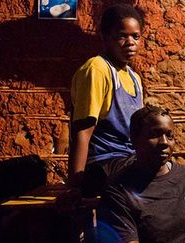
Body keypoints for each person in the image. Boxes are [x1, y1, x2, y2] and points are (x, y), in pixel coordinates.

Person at [99, 105, 185, 243]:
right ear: (134, 139)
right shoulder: (119, 189)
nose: (164, 142)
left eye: (170, 136)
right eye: (154, 134)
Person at [69, 3, 144, 196]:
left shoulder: (134, 78)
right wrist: (76, 186)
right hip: (102, 164)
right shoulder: (97, 69)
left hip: (129, 161)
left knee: (177, 175)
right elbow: (82, 131)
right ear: (105, 37)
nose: (130, 42)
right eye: (122, 36)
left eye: (135, 36)